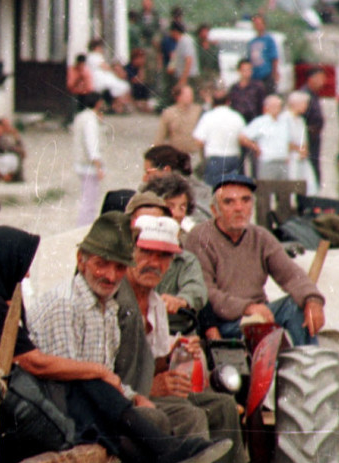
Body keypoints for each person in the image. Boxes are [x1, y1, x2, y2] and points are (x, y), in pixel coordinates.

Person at [22, 214, 232, 463]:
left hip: (91, 403)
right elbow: (70, 376)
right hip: (58, 409)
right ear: (81, 261)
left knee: (149, 413)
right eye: (101, 264)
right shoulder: (64, 303)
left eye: (118, 268)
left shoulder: (109, 306)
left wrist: (132, 395)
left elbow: (105, 373)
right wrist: (116, 386)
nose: (109, 275)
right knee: (140, 416)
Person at [114, 214, 257, 463]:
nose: (154, 263)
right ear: (130, 251)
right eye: (146, 253)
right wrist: (153, 383)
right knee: (190, 414)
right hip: (121, 398)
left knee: (221, 405)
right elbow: (108, 372)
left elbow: (158, 361)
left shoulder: (157, 304)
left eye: (163, 257)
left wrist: (177, 356)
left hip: (143, 389)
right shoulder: (117, 300)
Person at [186, 173, 325, 346]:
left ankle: (307, 364)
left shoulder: (261, 236)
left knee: (296, 305)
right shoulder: (200, 237)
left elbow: (290, 274)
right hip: (223, 324)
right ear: (214, 210)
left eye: (245, 200)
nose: (239, 208)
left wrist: (311, 299)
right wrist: (247, 307)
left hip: (259, 316)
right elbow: (206, 292)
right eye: (229, 202)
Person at [132, 179, 207, 334]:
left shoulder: (186, 258)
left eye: (182, 207)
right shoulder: (128, 252)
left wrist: (181, 301)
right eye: (170, 206)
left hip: (176, 331)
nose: (178, 213)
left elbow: (197, 289)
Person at [192, 85, 248, 185]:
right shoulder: (237, 117)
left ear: (213, 103)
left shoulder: (207, 117)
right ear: (228, 102)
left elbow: (199, 141)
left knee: (213, 189)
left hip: (214, 158)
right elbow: (243, 139)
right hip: (233, 158)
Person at [72, 93, 107, 226]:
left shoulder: (82, 117)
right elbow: (91, 144)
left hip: (82, 164)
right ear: (97, 103)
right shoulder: (90, 120)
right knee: (89, 201)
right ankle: (84, 226)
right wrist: (98, 166)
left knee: (88, 198)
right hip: (89, 166)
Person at [241, 94, 290, 181]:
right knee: (265, 190)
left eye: (279, 106)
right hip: (268, 161)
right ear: (266, 107)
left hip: (283, 162)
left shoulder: (284, 122)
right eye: (274, 106)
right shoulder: (261, 122)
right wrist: (255, 147)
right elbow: (242, 137)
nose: (277, 109)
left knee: (284, 191)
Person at [155, 83, 203, 159]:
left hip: (194, 153)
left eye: (191, 95)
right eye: (187, 95)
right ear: (178, 97)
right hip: (176, 154)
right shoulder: (169, 113)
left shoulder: (198, 111)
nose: (190, 97)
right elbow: (161, 136)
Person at [87, 38, 134, 113]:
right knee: (122, 85)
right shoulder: (95, 56)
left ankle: (118, 105)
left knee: (122, 86)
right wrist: (114, 70)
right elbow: (105, 67)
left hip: (100, 78)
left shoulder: (91, 56)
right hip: (100, 79)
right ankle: (117, 106)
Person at [301, 67, 327, 186]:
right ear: (311, 79)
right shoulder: (304, 94)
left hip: (314, 139)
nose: (323, 81)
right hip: (307, 139)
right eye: (320, 78)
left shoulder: (314, 94)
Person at [284, 90, 314, 193]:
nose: (306, 106)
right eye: (304, 103)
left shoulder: (301, 120)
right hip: (290, 158)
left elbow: (304, 140)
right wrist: (298, 149)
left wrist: (304, 150)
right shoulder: (285, 118)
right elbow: (284, 140)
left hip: (301, 158)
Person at [246, 13, 279, 94]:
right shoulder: (252, 42)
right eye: (255, 24)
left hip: (266, 75)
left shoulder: (269, 39)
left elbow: (274, 58)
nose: (257, 26)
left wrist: (274, 73)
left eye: (259, 24)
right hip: (255, 77)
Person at [227, 58, 266, 123]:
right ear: (239, 71)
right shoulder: (234, 88)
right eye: (244, 70)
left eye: (249, 70)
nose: (247, 72)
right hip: (238, 121)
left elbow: (262, 105)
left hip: (254, 121)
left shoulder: (257, 87)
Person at [165, 21, 199, 96]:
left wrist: (183, 80)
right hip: (182, 76)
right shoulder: (180, 42)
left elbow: (188, 60)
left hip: (188, 77)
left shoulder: (186, 40)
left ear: (175, 31)